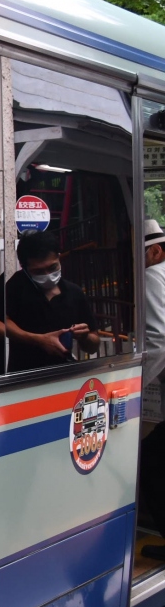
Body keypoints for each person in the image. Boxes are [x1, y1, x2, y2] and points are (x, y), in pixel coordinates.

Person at [0, 229, 100, 373]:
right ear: (24, 267)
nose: (47, 275)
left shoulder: (74, 292)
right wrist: (39, 340)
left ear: (59, 257)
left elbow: (93, 346)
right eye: (38, 271)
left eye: (52, 267)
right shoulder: (14, 286)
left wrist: (85, 336)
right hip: (25, 377)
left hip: (65, 376)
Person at [138, 220, 165, 559]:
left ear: (155, 251)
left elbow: (159, 340)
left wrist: (135, 385)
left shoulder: (153, 276)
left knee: (152, 462)